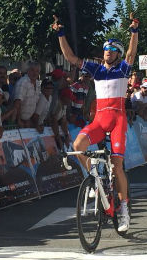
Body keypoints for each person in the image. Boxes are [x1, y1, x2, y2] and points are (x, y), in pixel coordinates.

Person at [52, 14, 139, 232]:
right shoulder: (96, 69)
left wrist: (134, 32)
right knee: (77, 145)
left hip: (118, 121)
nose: (107, 52)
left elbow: (131, 53)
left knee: (118, 166)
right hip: (100, 120)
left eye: (111, 50)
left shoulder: (123, 69)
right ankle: (93, 176)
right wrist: (60, 33)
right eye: (105, 49)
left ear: (117, 54)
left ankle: (124, 210)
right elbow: (70, 57)